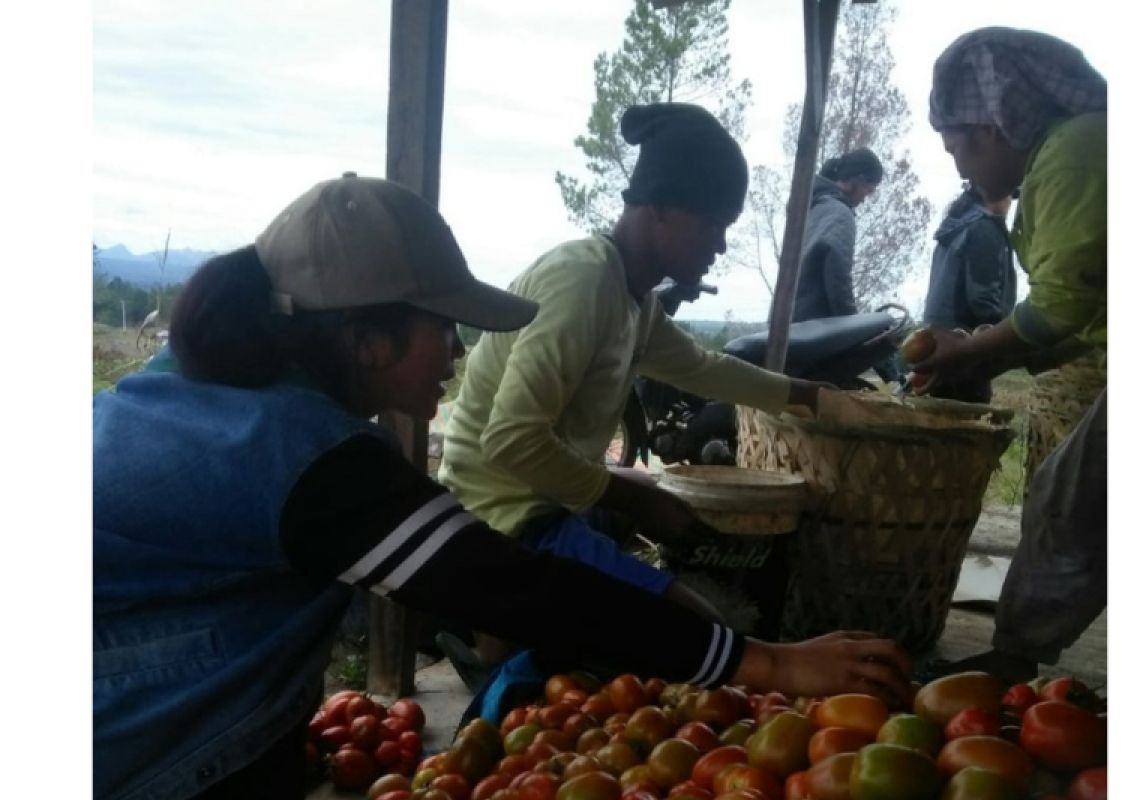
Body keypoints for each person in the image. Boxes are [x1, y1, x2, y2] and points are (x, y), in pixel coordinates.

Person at [94, 173, 912, 800]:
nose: (459, 350)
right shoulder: (301, 454)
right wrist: (766, 664)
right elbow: (520, 590)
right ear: (367, 340)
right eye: (441, 326)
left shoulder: (202, 382)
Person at [437, 103, 834, 669]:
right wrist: (628, 495)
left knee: (655, 532)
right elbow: (510, 439)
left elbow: (701, 367)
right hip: (501, 510)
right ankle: (497, 630)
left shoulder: (634, 297)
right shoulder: (583, 283)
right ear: (660, 211)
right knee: (700, 626)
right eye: (713, 225)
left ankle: (500, 640)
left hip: (540, 495)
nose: (720, 245)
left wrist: (803, 393)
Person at [913, 27, 1107, 683]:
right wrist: (982, 360)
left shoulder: (1072, 155)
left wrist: (970, 350)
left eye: (957, 147)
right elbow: (1089, 307)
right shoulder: (1076, 148)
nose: (960, 168)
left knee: (1069, 496)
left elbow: (1059, 306)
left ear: (992, 127)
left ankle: (1013, 660)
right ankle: (1017, 655)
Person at [919, 182, 1016, 402]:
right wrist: (1004, 335)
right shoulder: (985, 228)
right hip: (966, 346)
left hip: (937, 342)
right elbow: (983, 297)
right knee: (966, 426)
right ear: (994, 194)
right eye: (1010, 195)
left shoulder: (953, 228)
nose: (1010, 203)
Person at [791, 148, 884, 323]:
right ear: (859, 180)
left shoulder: (810, 209)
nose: (864, 199)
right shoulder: (840, 212)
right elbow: (838, 274)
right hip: (815, 330)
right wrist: (852, 325)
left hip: (790, 323)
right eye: (869, 190)